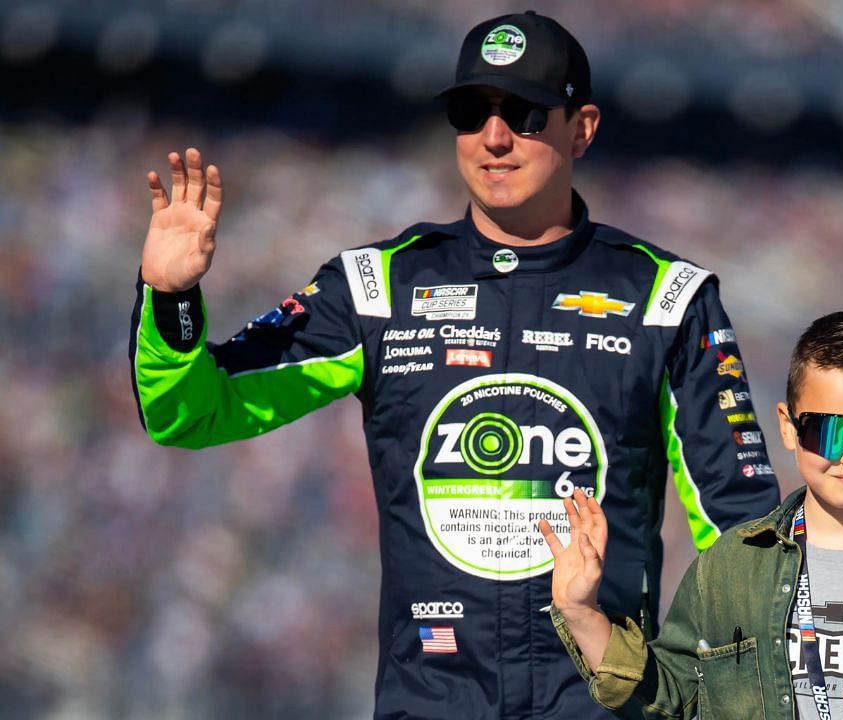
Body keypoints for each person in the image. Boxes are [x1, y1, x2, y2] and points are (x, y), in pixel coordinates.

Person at [128, 11, 779, 719]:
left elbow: (740, 533)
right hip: (428, 703)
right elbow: (191, 412)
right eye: (472, 114)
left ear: (581, 129)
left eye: (525, 115)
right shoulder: (378, 287)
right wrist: (170, 300)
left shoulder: (666, 299)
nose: (494, 138)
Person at [542, 301, 843, 719]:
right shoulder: (728, 569)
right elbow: (666, 700)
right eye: (826, 431)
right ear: (787, 426)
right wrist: (581, 612)